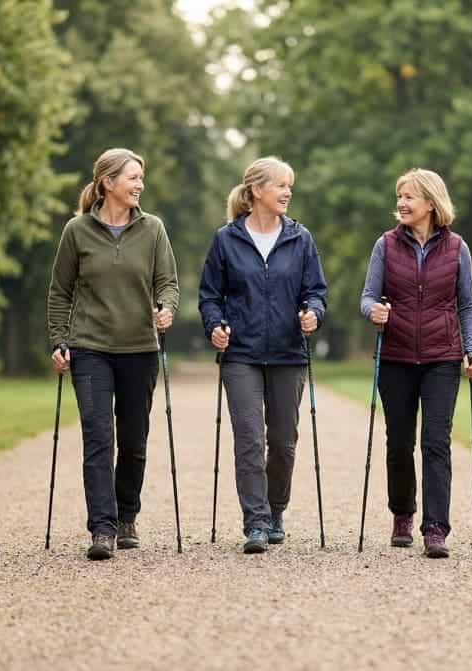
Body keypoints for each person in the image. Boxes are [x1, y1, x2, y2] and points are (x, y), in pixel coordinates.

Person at [47, 148, 179, 561]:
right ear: (108, 183)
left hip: (140, 348)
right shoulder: (77, 231)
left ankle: (127, 518)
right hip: (90, 348)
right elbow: (60, 292)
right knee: (98, 438)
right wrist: (59, 339)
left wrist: (166, 307)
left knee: (134, 441)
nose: (140, 184)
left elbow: (168, 282)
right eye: (133, 178)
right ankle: (101, 528)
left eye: (141, 178)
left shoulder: (153, 229)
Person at [198, 156, 327, 554]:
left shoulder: (300, 238)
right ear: (256, 191)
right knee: (250, 440)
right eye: (281, 185)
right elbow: (209, 296)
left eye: (290, 186)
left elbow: (315, 291)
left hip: (289, 354)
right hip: (242, 355)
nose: (288, 192)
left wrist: (312, 313)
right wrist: (215, 326)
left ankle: (275, 510)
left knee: (284, 442)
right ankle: (255, 522)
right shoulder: (227, 239)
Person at [360, 168, 472, 558]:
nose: (401, 203)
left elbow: (468, 304)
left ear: (431, 201)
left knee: (435, 442)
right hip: (395, 357)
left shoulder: (457, 247)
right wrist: (374, 311)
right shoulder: (385, 245)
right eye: (399, 196)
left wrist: (471, 347)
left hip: (442, 358)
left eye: (409, 196)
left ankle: (435, 527)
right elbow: (367, 297)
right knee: (398, 442)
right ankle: (402, 515)